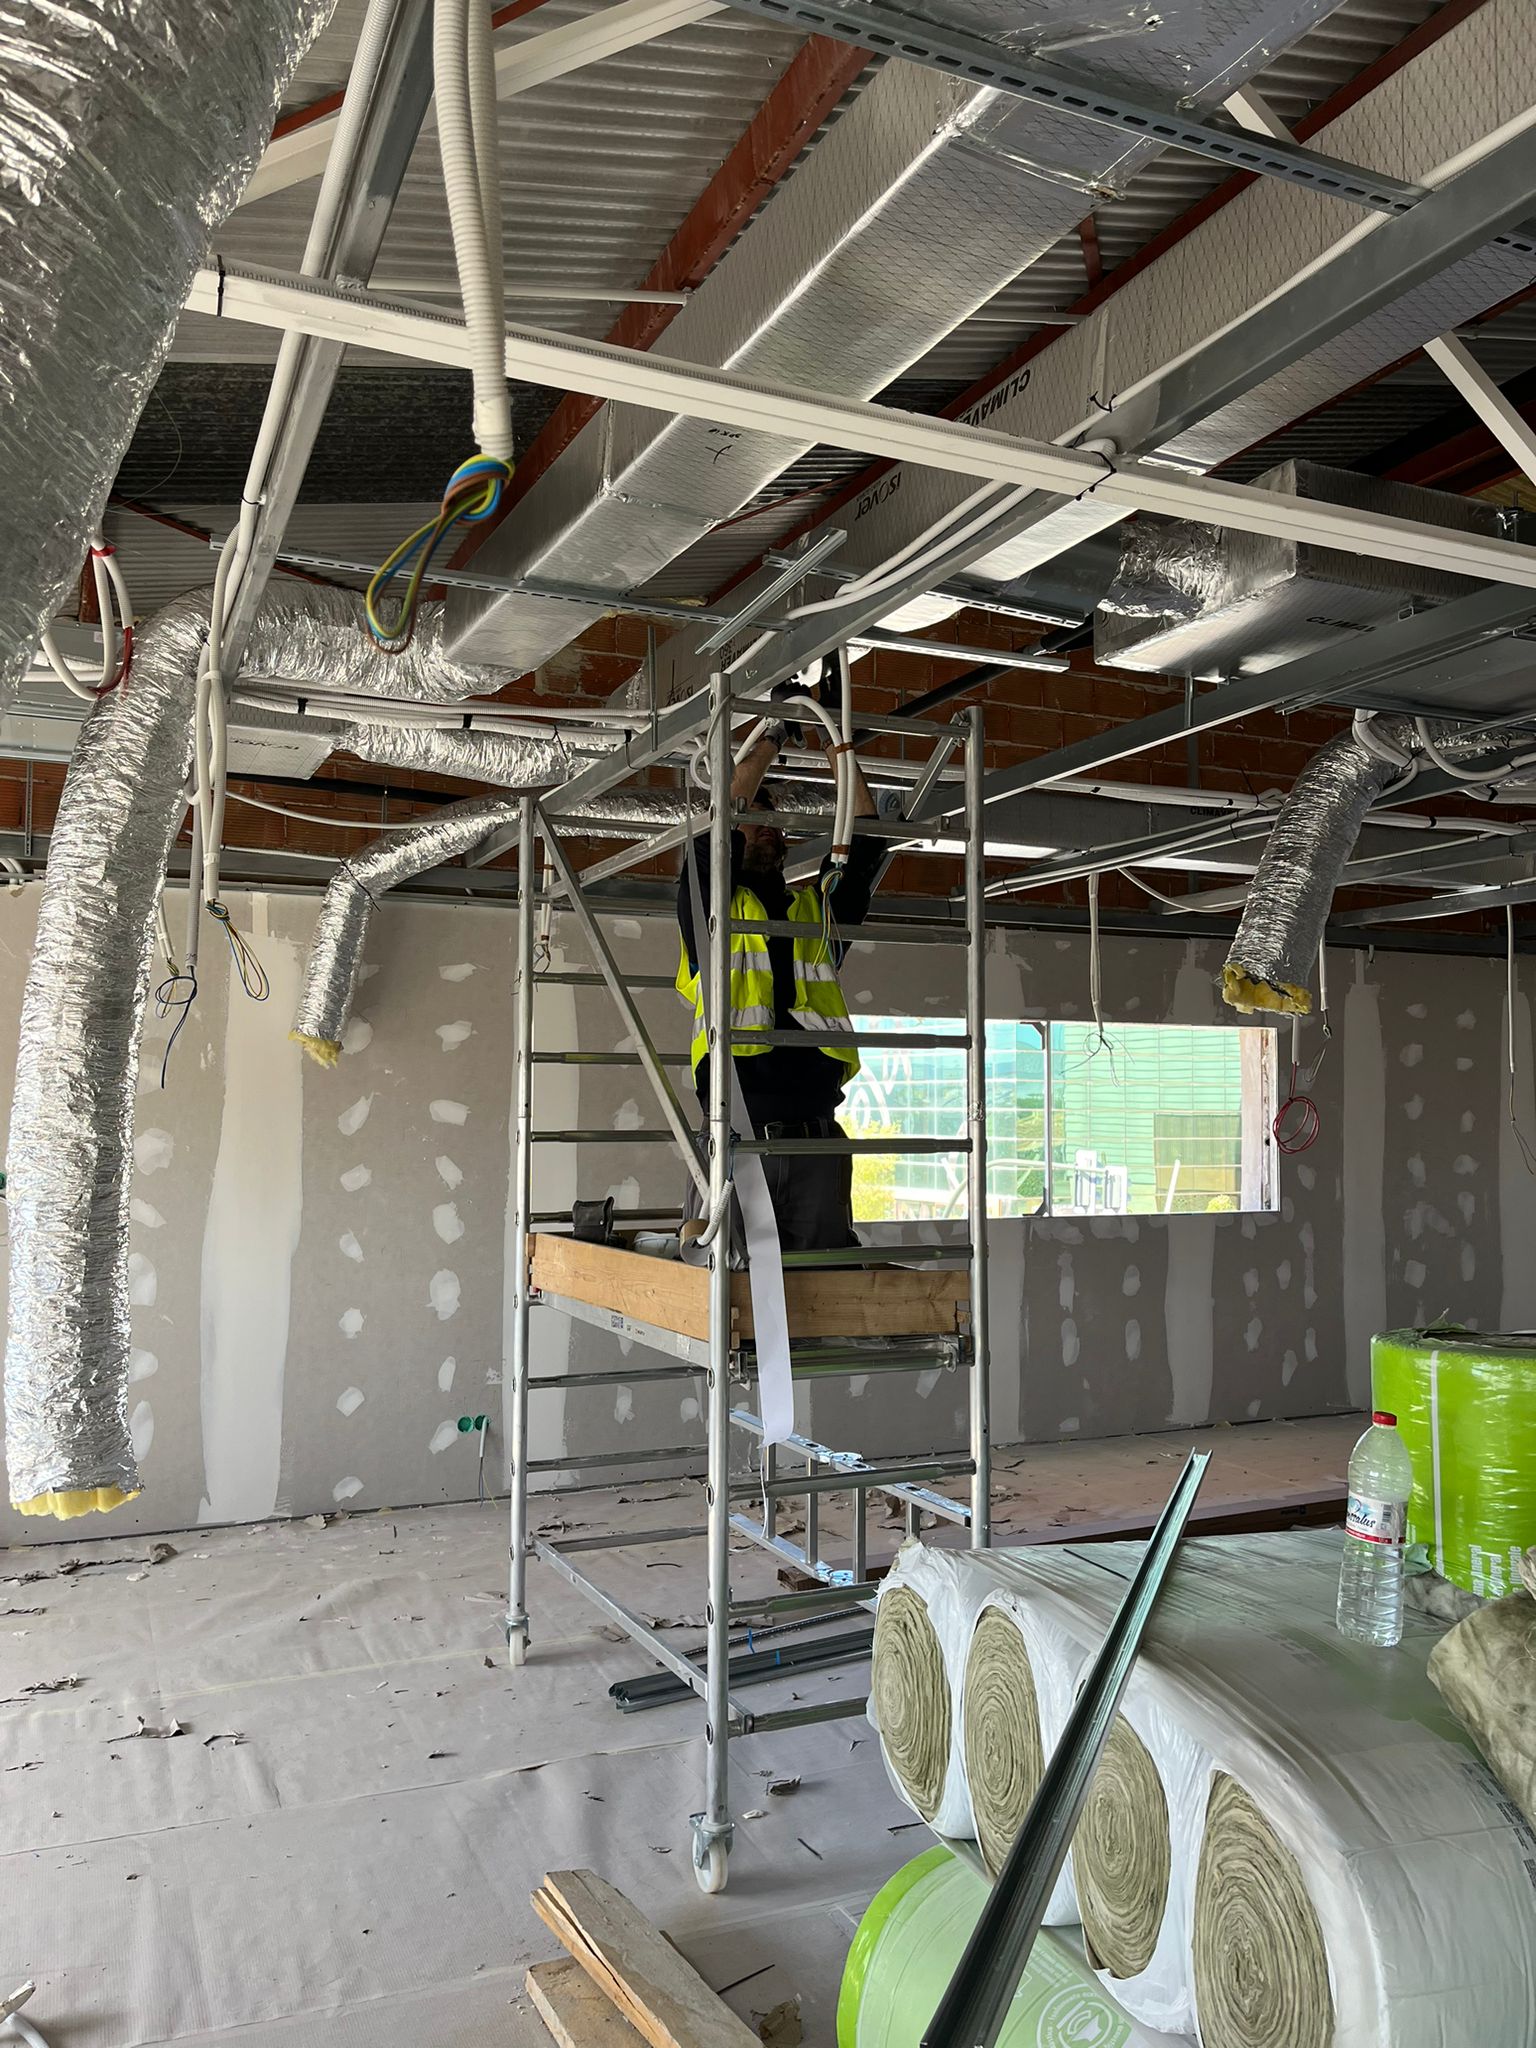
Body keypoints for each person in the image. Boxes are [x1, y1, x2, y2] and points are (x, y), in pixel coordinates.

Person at [675, 705, 882, 1259]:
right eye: (755, 816)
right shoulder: (711, 910)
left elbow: (867, 843)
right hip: (736, 1134)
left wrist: (836, 744)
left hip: (817, 1140)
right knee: (726, 1287)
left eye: (776, 821)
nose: (768, 826)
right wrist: (773, 734)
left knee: (822, 1287)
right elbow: (717, 829)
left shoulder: (814, 912)